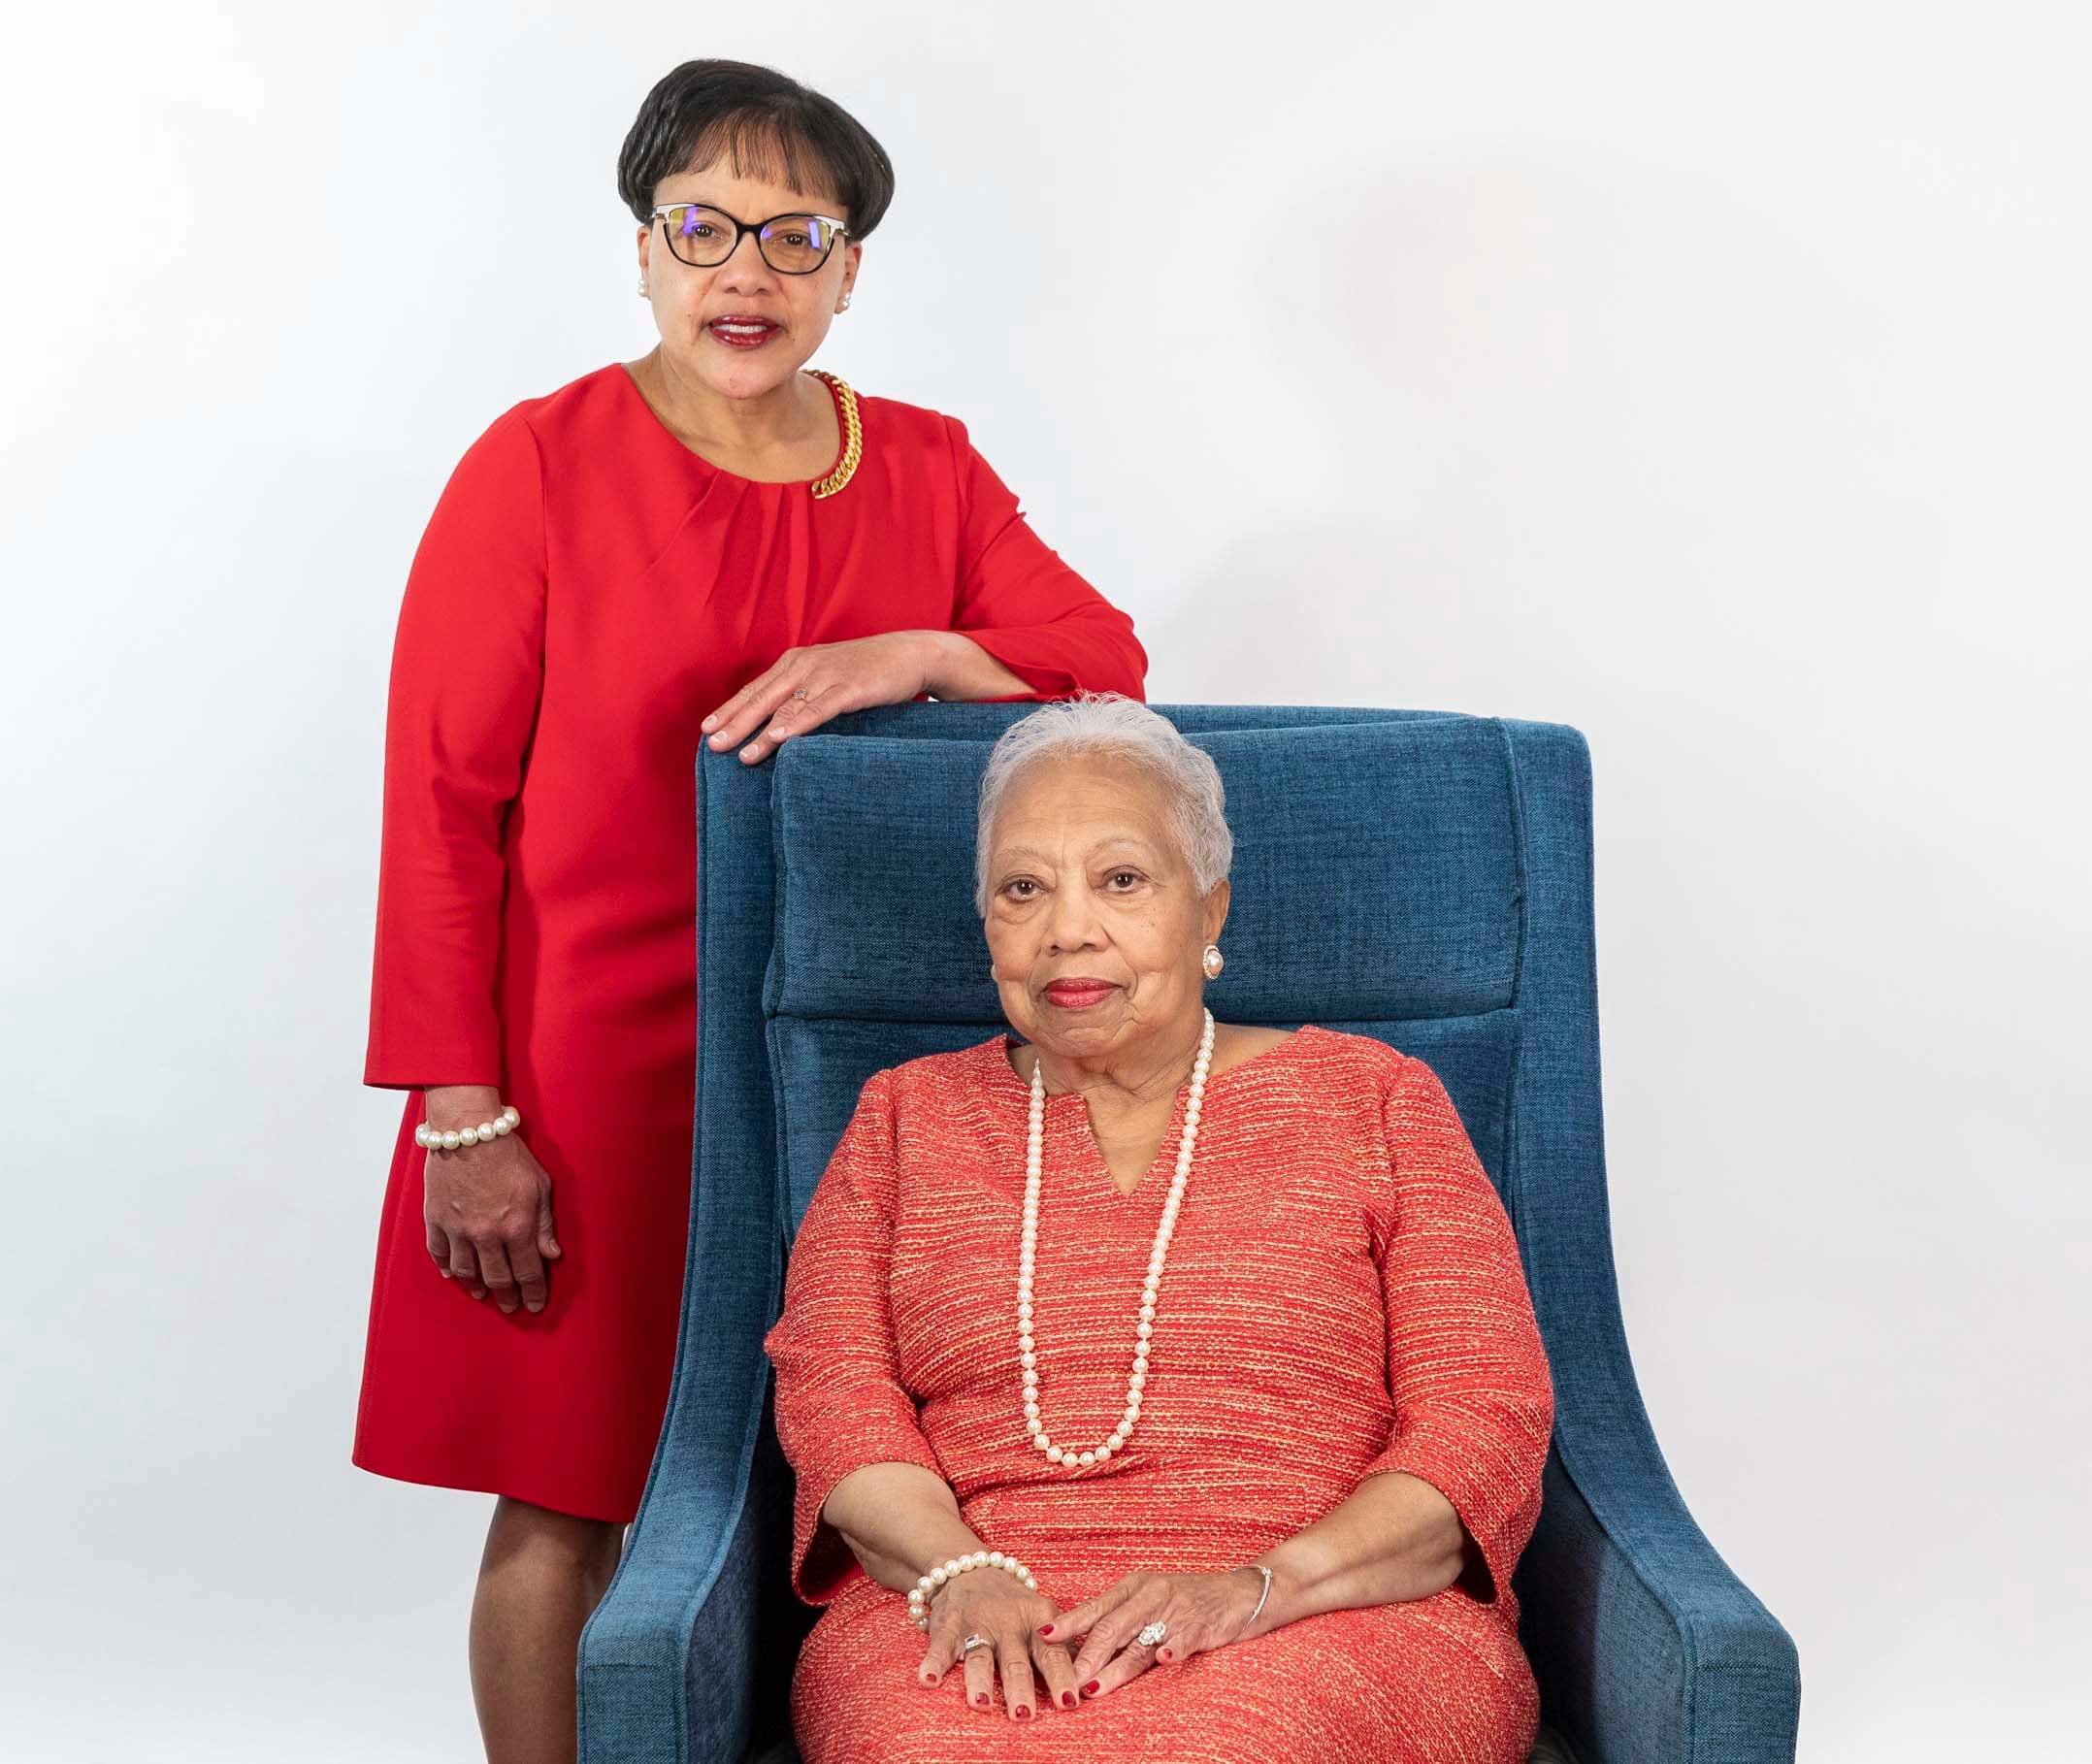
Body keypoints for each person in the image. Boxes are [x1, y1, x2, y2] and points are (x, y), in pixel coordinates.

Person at [353, 60, 1146, 1764]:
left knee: (853, 1473)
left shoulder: (925, 466)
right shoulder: (539, 463)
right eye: (704, 226)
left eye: (798, 236)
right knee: (572, 1498)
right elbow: (438, 806)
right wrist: (461, 1110)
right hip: (588, 1074)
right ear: (643, 249)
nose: (748, 273)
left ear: (848, 270)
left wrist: (916, 651)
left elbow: (1105, 663)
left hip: (863, 1063)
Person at [764, 698, 1554, 1762]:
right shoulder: (904, 1117)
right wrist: (960, 1571)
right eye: (1022, 888)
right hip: (966, 1603)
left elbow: (1484, 1410)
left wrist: (1263, 1587)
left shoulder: (1375, 1098)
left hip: (1325, 1609)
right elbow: (834, 1397)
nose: (1067, 929)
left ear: (1209, 909)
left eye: (1122, 879)